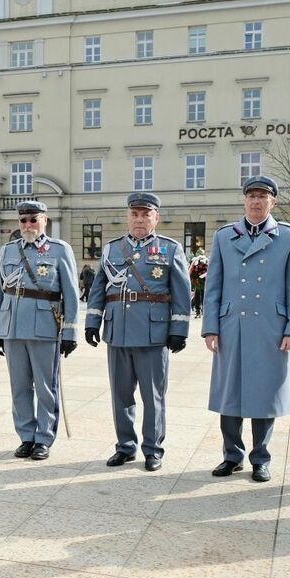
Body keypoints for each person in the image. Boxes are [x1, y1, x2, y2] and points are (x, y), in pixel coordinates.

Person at [202, 175, 290, 483]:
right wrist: (210, 328)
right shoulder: (224, 236)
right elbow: (213, 286)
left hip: (270, 327)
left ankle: (260, 457)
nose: (256, 201)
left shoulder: (288, 236)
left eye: (263, 196)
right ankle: (231, 456)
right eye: (252, 196)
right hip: (231, 324)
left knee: (265, 393)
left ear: (272, 201)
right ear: (244, 200)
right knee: (229, 392)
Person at [84, 192, 190, 471]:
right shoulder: (111, 249)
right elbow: (98, 290)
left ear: (157, 217)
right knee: (120, 394)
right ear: (128, 216)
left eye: (146, 214)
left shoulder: (169, 249)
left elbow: (181, 293)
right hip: (117, 330)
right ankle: (125, 446)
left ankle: (153, 449)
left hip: (153, 334)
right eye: (135, 214)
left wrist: (179, 329)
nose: (140, 219)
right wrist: (92, 322)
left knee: (153, 396)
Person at [0, 200, 79, 460]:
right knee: (19, 387)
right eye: (23, 220)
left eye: (33, 220)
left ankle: (43, 439)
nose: (28, 225)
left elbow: (71, 296)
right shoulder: (7, 251)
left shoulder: (60, 251)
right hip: (12, 329)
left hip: (44, 328)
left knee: (45, 387)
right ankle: (26, 436)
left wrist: (70, 333)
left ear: (44, 221)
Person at [189, 250, 209, 317]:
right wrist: (195, 279)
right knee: (199, 296)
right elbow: (192, 271)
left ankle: (201, 311)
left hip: (202, 281)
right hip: (199, 281)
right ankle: (199, 311)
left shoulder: (204, 261)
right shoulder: (196, 261)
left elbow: (191, 270)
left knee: (201, 296)